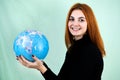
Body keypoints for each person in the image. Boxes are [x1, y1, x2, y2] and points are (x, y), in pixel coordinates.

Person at [17, 2, 106, 80]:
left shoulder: (88, 51)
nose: (75, 24)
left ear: (89, 23)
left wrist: (41, 67)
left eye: (81, 20)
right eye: (71, 19)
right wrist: (41, 65)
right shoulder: (76, 48)